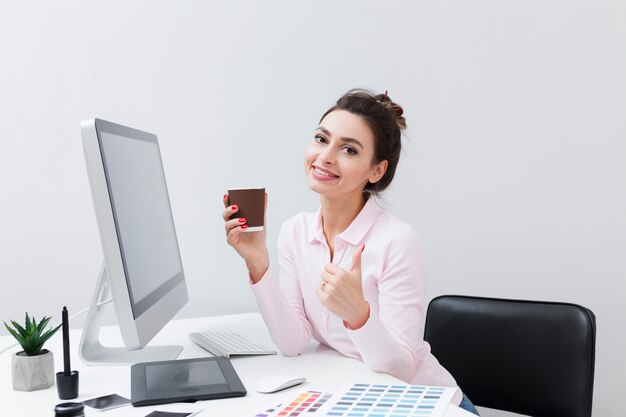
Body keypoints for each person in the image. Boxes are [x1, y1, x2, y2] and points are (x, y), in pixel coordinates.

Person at [222, 89, 479, 415]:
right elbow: (292, 342)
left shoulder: (396, 240)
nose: (325, 156)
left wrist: (358, 314)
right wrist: (258, 263)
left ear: (376, 171)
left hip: (425, 403)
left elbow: (400, 370)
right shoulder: (295, 232)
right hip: (359, 397)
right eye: (320, 138)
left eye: (348, 149)